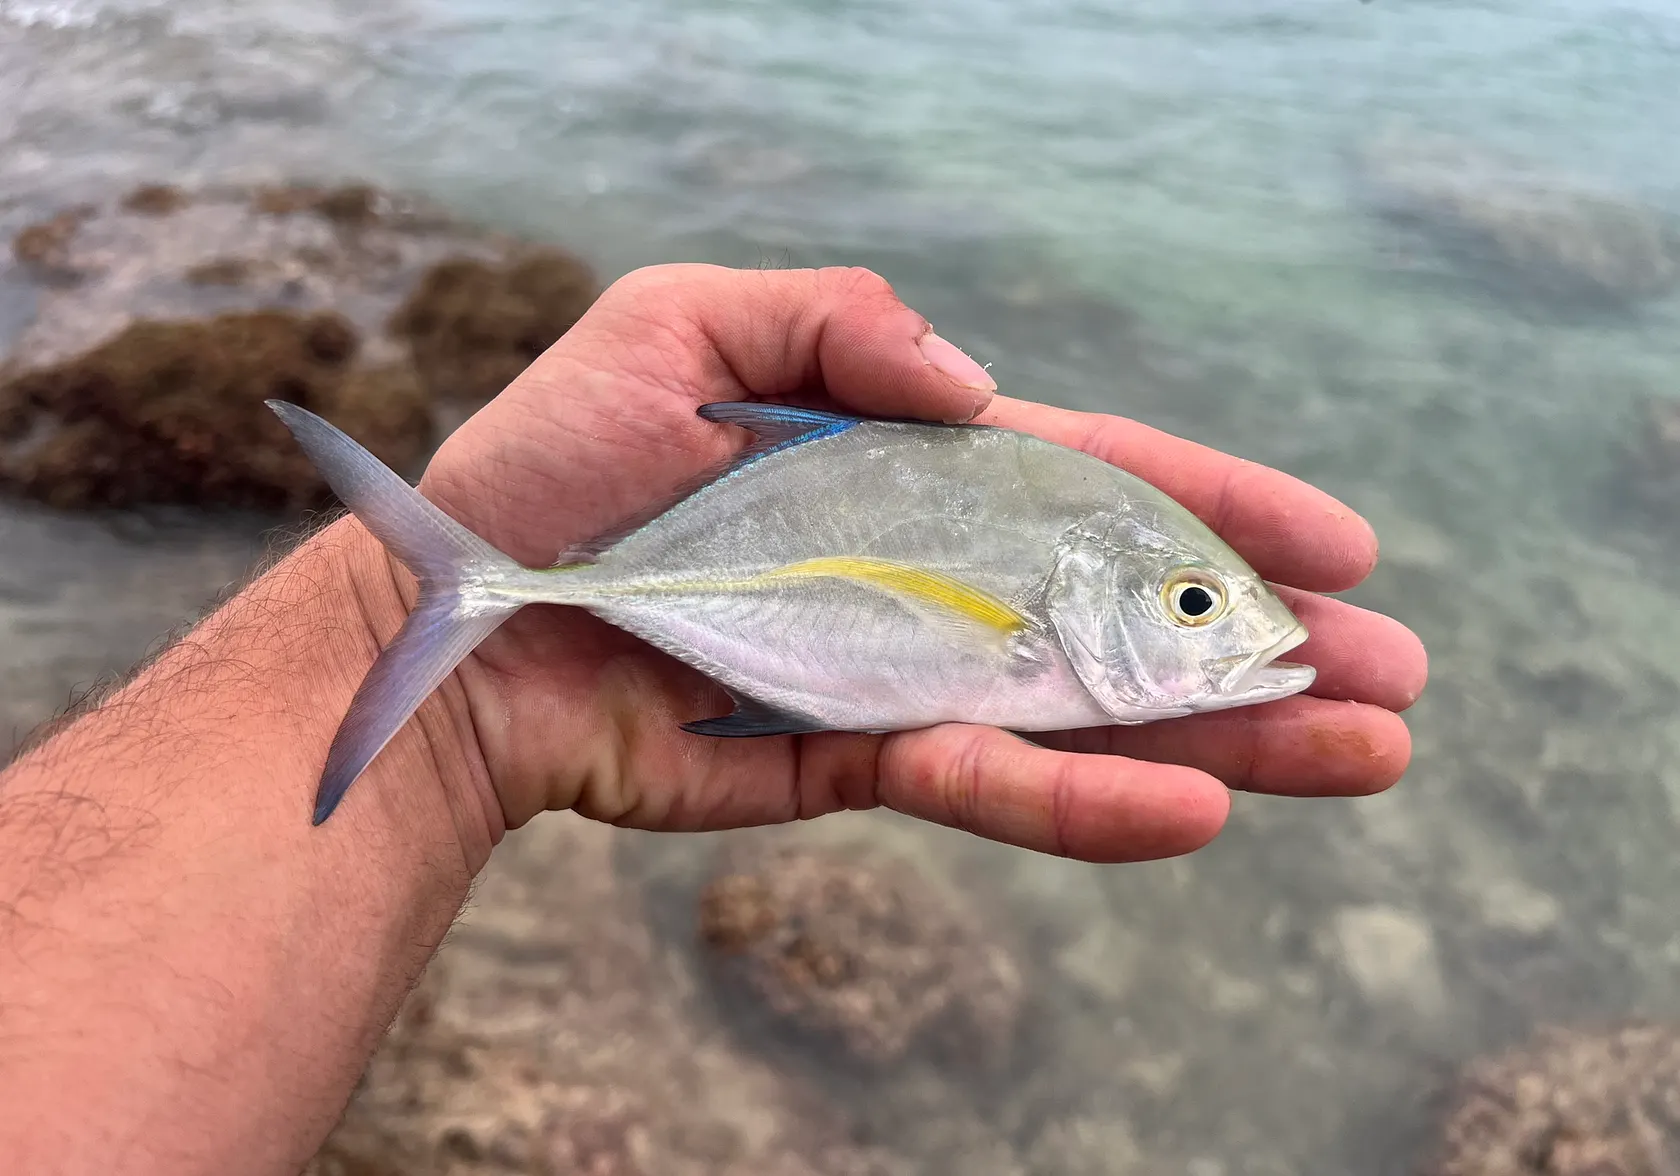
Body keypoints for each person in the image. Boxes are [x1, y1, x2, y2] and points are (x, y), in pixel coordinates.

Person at [0, 264, 1426, 1174]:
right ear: (1094, 589)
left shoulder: (1068, 566)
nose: (1219, 635)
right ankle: (450, 591)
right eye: (1193, 606)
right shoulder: (1053, 572)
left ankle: (451, 594)